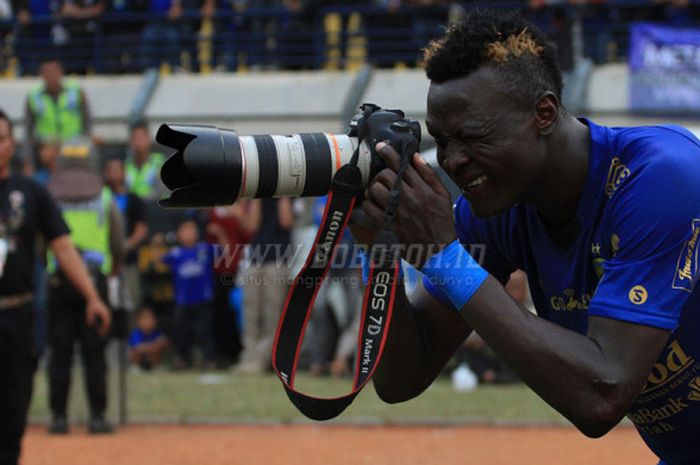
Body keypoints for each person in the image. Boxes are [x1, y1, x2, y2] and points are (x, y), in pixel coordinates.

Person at [356, 10, 700, 465]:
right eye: (441, 141)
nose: (452, 161)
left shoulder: (661, 177)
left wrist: (446, 258)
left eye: (471, 137)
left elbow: (602, 395)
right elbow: (400, 378)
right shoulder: (500, 206)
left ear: (544, 113)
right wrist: (379, 250)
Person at [0, 109, 110, 465]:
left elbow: (62, 247)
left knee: (13, 412)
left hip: (17, 315)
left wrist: (93, 297)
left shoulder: (31, 192)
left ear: (12, 145)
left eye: (1, 138)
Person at [46, 140, 125, 435]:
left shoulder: (51, 198)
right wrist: (112, 272)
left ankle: (58, 418)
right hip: (95, 280)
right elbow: (117, 242)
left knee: (60, 352)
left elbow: (43, 242)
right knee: (94, 353)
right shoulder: (104, 197)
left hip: (59, 280)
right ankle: (97, 418)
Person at [162, 218, 216, 369]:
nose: (189, 233)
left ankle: (208, 359)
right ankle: (183, 359)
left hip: (203, 299)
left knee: (205, 331)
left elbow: (224, 251)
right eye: (185, 230)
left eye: (192, 229)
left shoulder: (204, 249)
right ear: (178, 234)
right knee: (181, 331)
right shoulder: (175, 253)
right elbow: (158, 261)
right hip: (183, 301)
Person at [22, 57, 92, 174]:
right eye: (47, 72)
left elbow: (87, 121)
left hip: (74, 144)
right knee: (47, 155)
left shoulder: (76, 91)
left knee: (84, 153)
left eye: (54, 71)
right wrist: (27, 161)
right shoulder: (34, 97)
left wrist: (87, 141)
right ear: (41, 75)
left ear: (61, 72)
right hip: (47, 146)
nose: (51, 76)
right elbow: (28, 132)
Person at [104, 156, 148, 311]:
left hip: (128, 260)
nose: (114, 173)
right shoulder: (102, 198)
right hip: (106, 263)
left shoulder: (134, 199)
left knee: (131, 302)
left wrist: (126, 245)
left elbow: (141, 228)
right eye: (110, 170)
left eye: (117, 169)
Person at [125, 120, 165, 201]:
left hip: (154, 209)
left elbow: (160, 190)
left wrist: (141, 203)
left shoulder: (159, 162)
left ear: (148, 140)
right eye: (134, 138)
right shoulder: (125, 165)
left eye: (140, 138)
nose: (137, 142)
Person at [128, 306, 169, 370]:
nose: (147, 321)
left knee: (160, 348)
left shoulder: (156, 333)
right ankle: (136, 366)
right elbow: (136, 348)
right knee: (132, 352)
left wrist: (155, 346)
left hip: (151, 357)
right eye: (144, 318)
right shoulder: (136, 333)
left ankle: (155, 365)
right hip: (140, 357)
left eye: (149, 318)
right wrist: (153, 346)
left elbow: (164, 342)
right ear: (138, 322)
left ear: (155, 321)